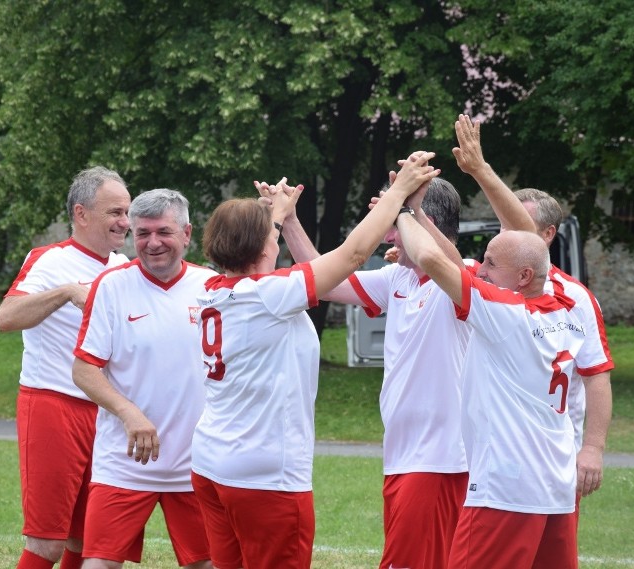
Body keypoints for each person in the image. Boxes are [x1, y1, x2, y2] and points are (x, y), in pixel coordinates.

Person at [265, 113, 536, 569]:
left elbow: (443, 259)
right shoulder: (397, 278)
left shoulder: (466, 276)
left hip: (442, 461)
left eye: (394, 220)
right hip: (404, 457)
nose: (387, 232)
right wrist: (288, 220)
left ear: (426, 220)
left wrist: (408, 208)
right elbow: (324, 281)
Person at [191, 151, 440, 569]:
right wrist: (398, 193)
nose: (275, 242)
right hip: (263, 474)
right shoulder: (270, 294)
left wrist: (279, 218)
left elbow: (258, 253)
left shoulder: (212, 287)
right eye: (270, 237)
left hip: (211, 464)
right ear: (262, 246)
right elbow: (353, 254)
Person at [396, 204, 588, 569]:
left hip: (505, 487)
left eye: (491, 264)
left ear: (523, 276)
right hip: (557, 485)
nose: (480, 270)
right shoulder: (565, 307)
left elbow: (430, 260)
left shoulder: (505, 313)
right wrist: (422, 215)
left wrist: (402, 207)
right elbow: (462, 268)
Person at [71, 189, 214, 569]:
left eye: (163, 232)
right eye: (143, 233)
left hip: (197, 462)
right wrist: (129, 413)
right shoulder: (111, 285)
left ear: (186, 233)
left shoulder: (212, 287)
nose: (153, 243)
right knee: (99, 562)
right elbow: (84, 368)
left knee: (207, 564)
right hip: (124, 461)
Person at [0, 166, 131, 569]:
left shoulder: (125, 267)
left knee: (90, 540)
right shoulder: (50, 260)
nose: (125, 222)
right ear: (82, 213)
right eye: (114, 212)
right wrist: (66, 292)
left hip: (105, 414)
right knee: (47, 542)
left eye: (126, 212)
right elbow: (6, 317)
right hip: (54, 405)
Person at [512, 187, 613, 500]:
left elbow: (596, 375)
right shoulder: (481, 285)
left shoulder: (576, 298)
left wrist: (593, 449)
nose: (508, 233)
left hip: (554, 460)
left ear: (547, 234)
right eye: (504, 222)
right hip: (492, 456)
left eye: (519, 225)